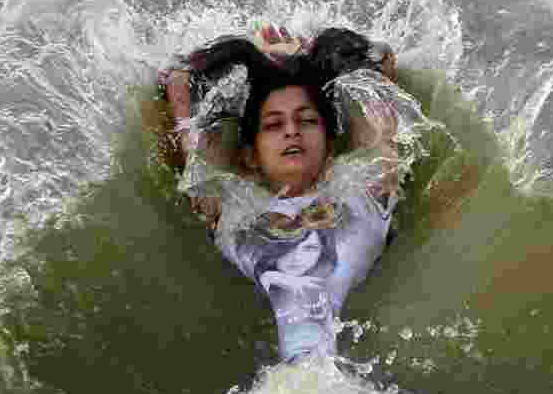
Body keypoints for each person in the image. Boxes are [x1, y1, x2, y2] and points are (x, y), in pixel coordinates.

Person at [160, 24, 403, 363]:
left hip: (310, 378)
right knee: (235, 54)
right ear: (249, 157)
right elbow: (177, 80)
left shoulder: (367, 186)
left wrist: (313, 56)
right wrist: (258, 62)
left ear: (330, 146)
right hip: (300, 379)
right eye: (274, 125)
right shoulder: (226, 200)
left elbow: (382, 61)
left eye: (306, 121)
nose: (291, 131)